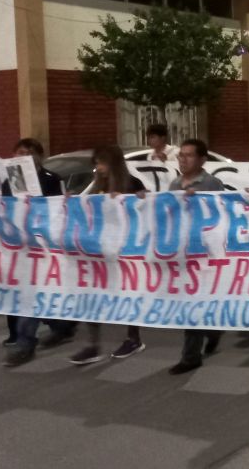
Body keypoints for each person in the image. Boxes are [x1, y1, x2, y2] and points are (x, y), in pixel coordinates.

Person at [69, 146, 147, 365]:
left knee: (128, 294)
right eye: (96, 163)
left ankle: (133, 338)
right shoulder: (97, 187)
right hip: (100, 252)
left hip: (125, 252)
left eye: (102, 163)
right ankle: (92, 345)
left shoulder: (132, 184)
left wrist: (139, 200)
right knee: (93, 296)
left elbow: (146, 210)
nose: (98, 168)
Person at [2, 138, 74, 366]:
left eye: (28, 153)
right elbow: (3, 210)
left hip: (47, 248)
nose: (22, 157)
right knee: (29, 295)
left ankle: (29, 341)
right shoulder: (9, 182)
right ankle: (53, 330)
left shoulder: (52, 180)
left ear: (38, 157)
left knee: (38, 294)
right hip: (22, 248)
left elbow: (61, 212)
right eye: (19, 152)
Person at [163, 139, 227, 374]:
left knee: (194, 302)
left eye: (189, 155)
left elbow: (221, 215)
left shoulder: (211, 184)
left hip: (205, 253)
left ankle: (190, 356)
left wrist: (196, 203)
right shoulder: (175, 184)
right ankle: (212, 329)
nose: (183, 159)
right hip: (183, 252)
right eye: (181, 155)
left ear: (202, 160)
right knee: (191, 302)